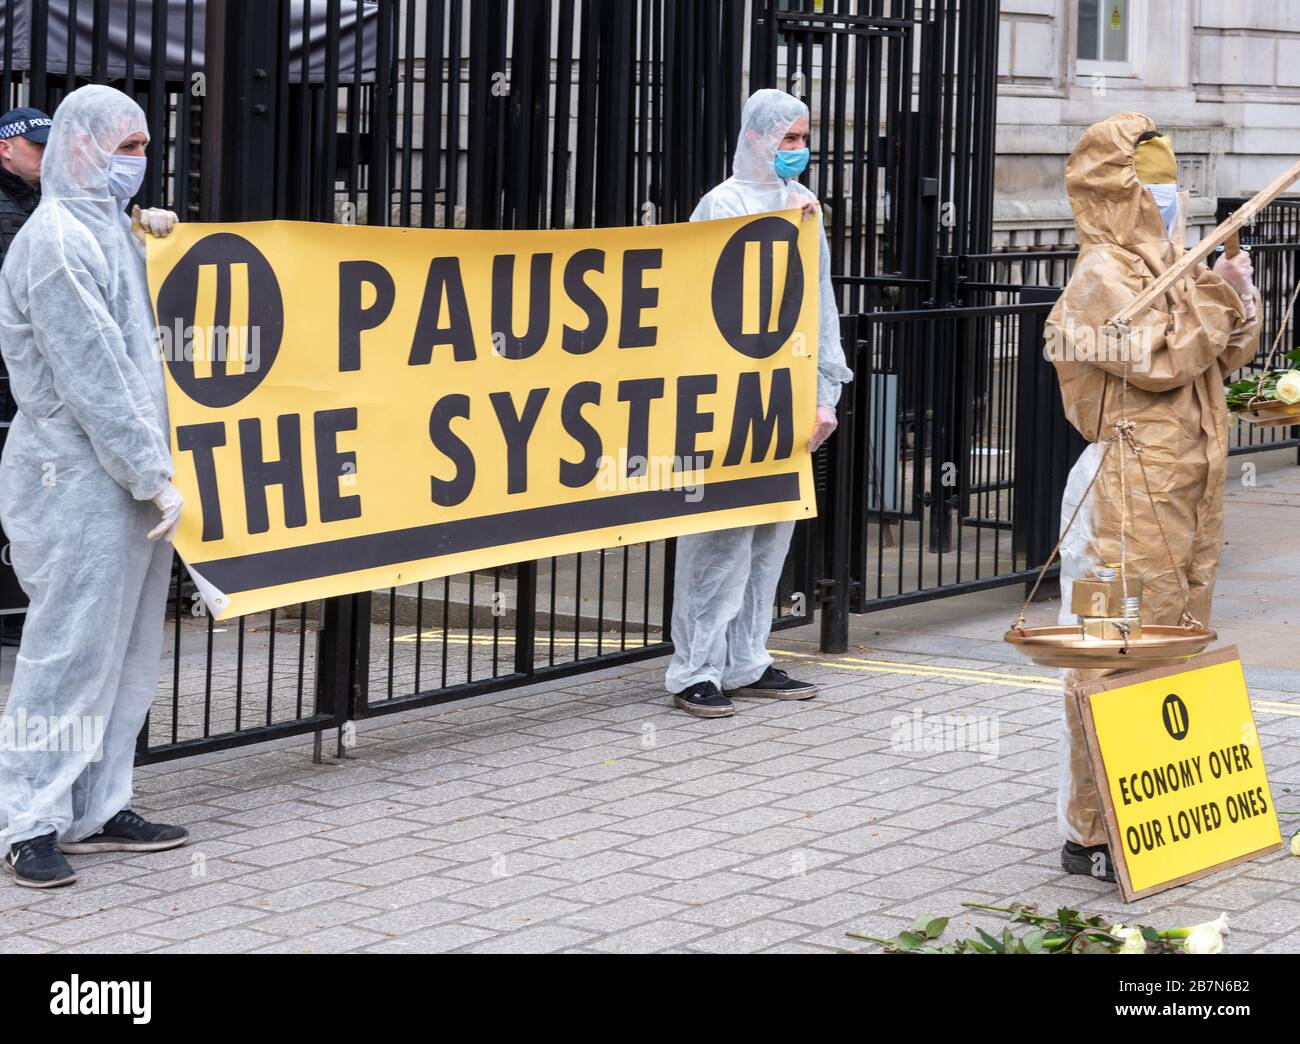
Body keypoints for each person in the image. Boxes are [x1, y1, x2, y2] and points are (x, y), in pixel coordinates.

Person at [1046, 112, 1260, 882]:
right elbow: (1157, 362)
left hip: (1187, 483)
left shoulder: (1171, 259)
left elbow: (1223, 355)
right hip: (1128, 492)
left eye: (1174, 182)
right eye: (1151, 182)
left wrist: (1236, 297)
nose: (1169, 198)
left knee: (1175, 642)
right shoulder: (1100, 274)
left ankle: (1156, 814)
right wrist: (1218, 305)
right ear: (1117, 188)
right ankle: (1095, 831)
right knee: (1115, 649)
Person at [0, 85, 188, 888]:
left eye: (144, 149)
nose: (135, 165)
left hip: (124, 482)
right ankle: (27, 820)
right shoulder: (53, 244)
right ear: (83, 148)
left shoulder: (106, 229)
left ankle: (99, 803)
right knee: (68, 653)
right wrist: (150, 471)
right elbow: (94, 377)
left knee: (125, 653)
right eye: (125, 149)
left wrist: (156, 233)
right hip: (74, 478)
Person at [665, 88, 853, 718]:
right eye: (788, 139)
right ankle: (694, 669)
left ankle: (747, 659)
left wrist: (826, 389)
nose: (797, 151)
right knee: (719, 534)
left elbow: (818, 300)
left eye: (804, 139)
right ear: (757, 137)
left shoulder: (804, 206)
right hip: (731, 390)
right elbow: (693, 302)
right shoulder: (722, 204)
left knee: (771, 530)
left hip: (786, 389)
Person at [0, 107, 52, 649]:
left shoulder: (51, 200)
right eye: (37, 145)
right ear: (6, 147)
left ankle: (17, 608)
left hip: (27, 377)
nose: (47, 155)